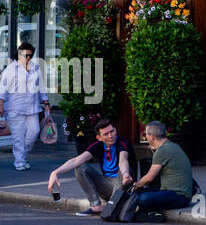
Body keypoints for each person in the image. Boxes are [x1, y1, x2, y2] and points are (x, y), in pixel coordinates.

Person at [46, 118, 133, 216]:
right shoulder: (98, 145)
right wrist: (55, 172)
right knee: (80, 167)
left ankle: (113, 205)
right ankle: (96, 206)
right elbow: (76, 160)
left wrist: (125, 173)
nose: (111, 136)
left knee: (124, 170)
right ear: (99, 137)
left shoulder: (123, 143)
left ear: (115, 130)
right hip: (107, 185)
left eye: (112, 131)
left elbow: (123, 160)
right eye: (106, 134)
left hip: (124, 183)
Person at [0, 42, 50, 171]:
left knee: (34, 132)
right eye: (25, 55)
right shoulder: (11, 69)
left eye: (30, 55)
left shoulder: (35, 68)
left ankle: (22, 154)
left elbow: (41, 87)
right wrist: (0, 105)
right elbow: (2, 89)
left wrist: (46, 103)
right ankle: (19, 162)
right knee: (18, 136)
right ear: (19, 54)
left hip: (32, 107)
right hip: (14, 107)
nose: (28, 58)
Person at [133, 122, 194, 214]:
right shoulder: (172, 146)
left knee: (143, 198)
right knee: (139, 193)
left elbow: (149, 178)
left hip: (179, 196)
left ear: (152, 136)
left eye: (146, 134)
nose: (146, 137)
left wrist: (136, 185)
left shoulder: (162, 150)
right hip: (173, 193)